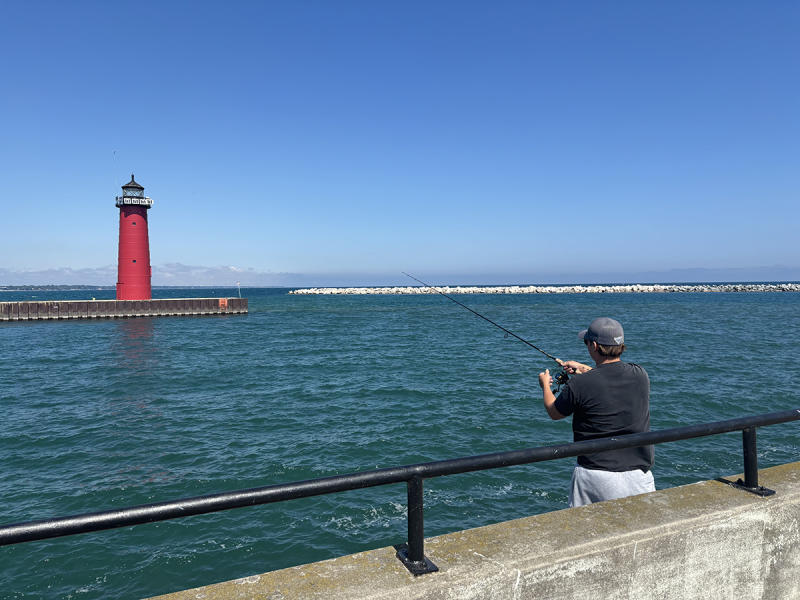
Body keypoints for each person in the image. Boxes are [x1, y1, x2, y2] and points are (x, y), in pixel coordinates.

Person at [538, 317, 654, 507]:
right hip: (639, 476)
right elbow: (609, 376)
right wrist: (584, 369)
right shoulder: (640, 374)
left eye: (586, 342)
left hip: (595, 474)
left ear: (593, 345)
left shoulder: (580, 384)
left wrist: (545, 386)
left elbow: (554, 412)